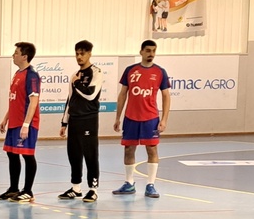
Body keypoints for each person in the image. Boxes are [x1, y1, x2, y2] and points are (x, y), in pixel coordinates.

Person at [113, 40, 172, 198]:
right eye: (148, 50)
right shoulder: (130, 70)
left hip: (150, 118)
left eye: (153, 51)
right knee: (128, 149)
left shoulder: (160, 72)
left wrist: (164, 120)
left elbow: (166, 96)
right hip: (131, 117)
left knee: (152, 149)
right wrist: (118, 117)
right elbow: (123, 94)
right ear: (141, 52)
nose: (151, 54)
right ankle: (129, 183)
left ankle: (150, 185)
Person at [58, 40, 105, 202]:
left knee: (90, 155)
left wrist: (77, 83)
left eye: (82, 53)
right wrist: (64, 123)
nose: (79, 57)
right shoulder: (74, 75)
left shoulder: (96, 72)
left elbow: (90, 95)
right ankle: (76, 188)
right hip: (74, 121)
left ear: (89, 54)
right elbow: (70, 100)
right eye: (77, 53)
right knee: (74, 155)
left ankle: (93, 189)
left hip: (89, 120)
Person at [0, 42, 42, 202]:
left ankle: (28, 191)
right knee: (11, 153)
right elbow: (15, 100)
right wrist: (6, 118)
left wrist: (26, 124)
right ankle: (13, 188)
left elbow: (33, 101)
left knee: (28, 155)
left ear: (24, 56)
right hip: (14, 122)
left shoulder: (32, 75)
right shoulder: (17, 73)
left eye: (16, 53)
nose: (13, 55)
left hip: (25, 123)